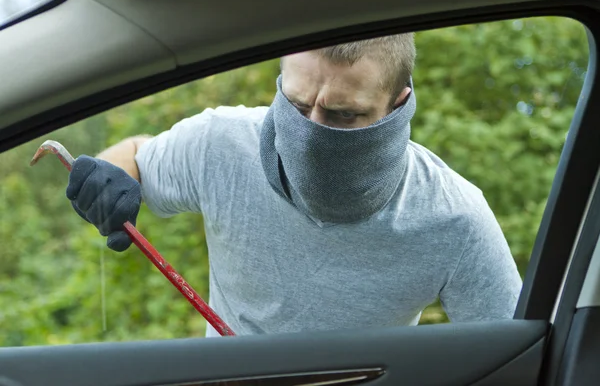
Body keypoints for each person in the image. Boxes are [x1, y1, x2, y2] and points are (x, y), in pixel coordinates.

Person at [66, 33, 523, 337]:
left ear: (397, 104)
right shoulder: (221, 143)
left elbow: (516, 356)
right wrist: (110, 174)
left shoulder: (455, 219)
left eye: (344, 115)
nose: (310, 137)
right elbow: (135, 158)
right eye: (298, 105)